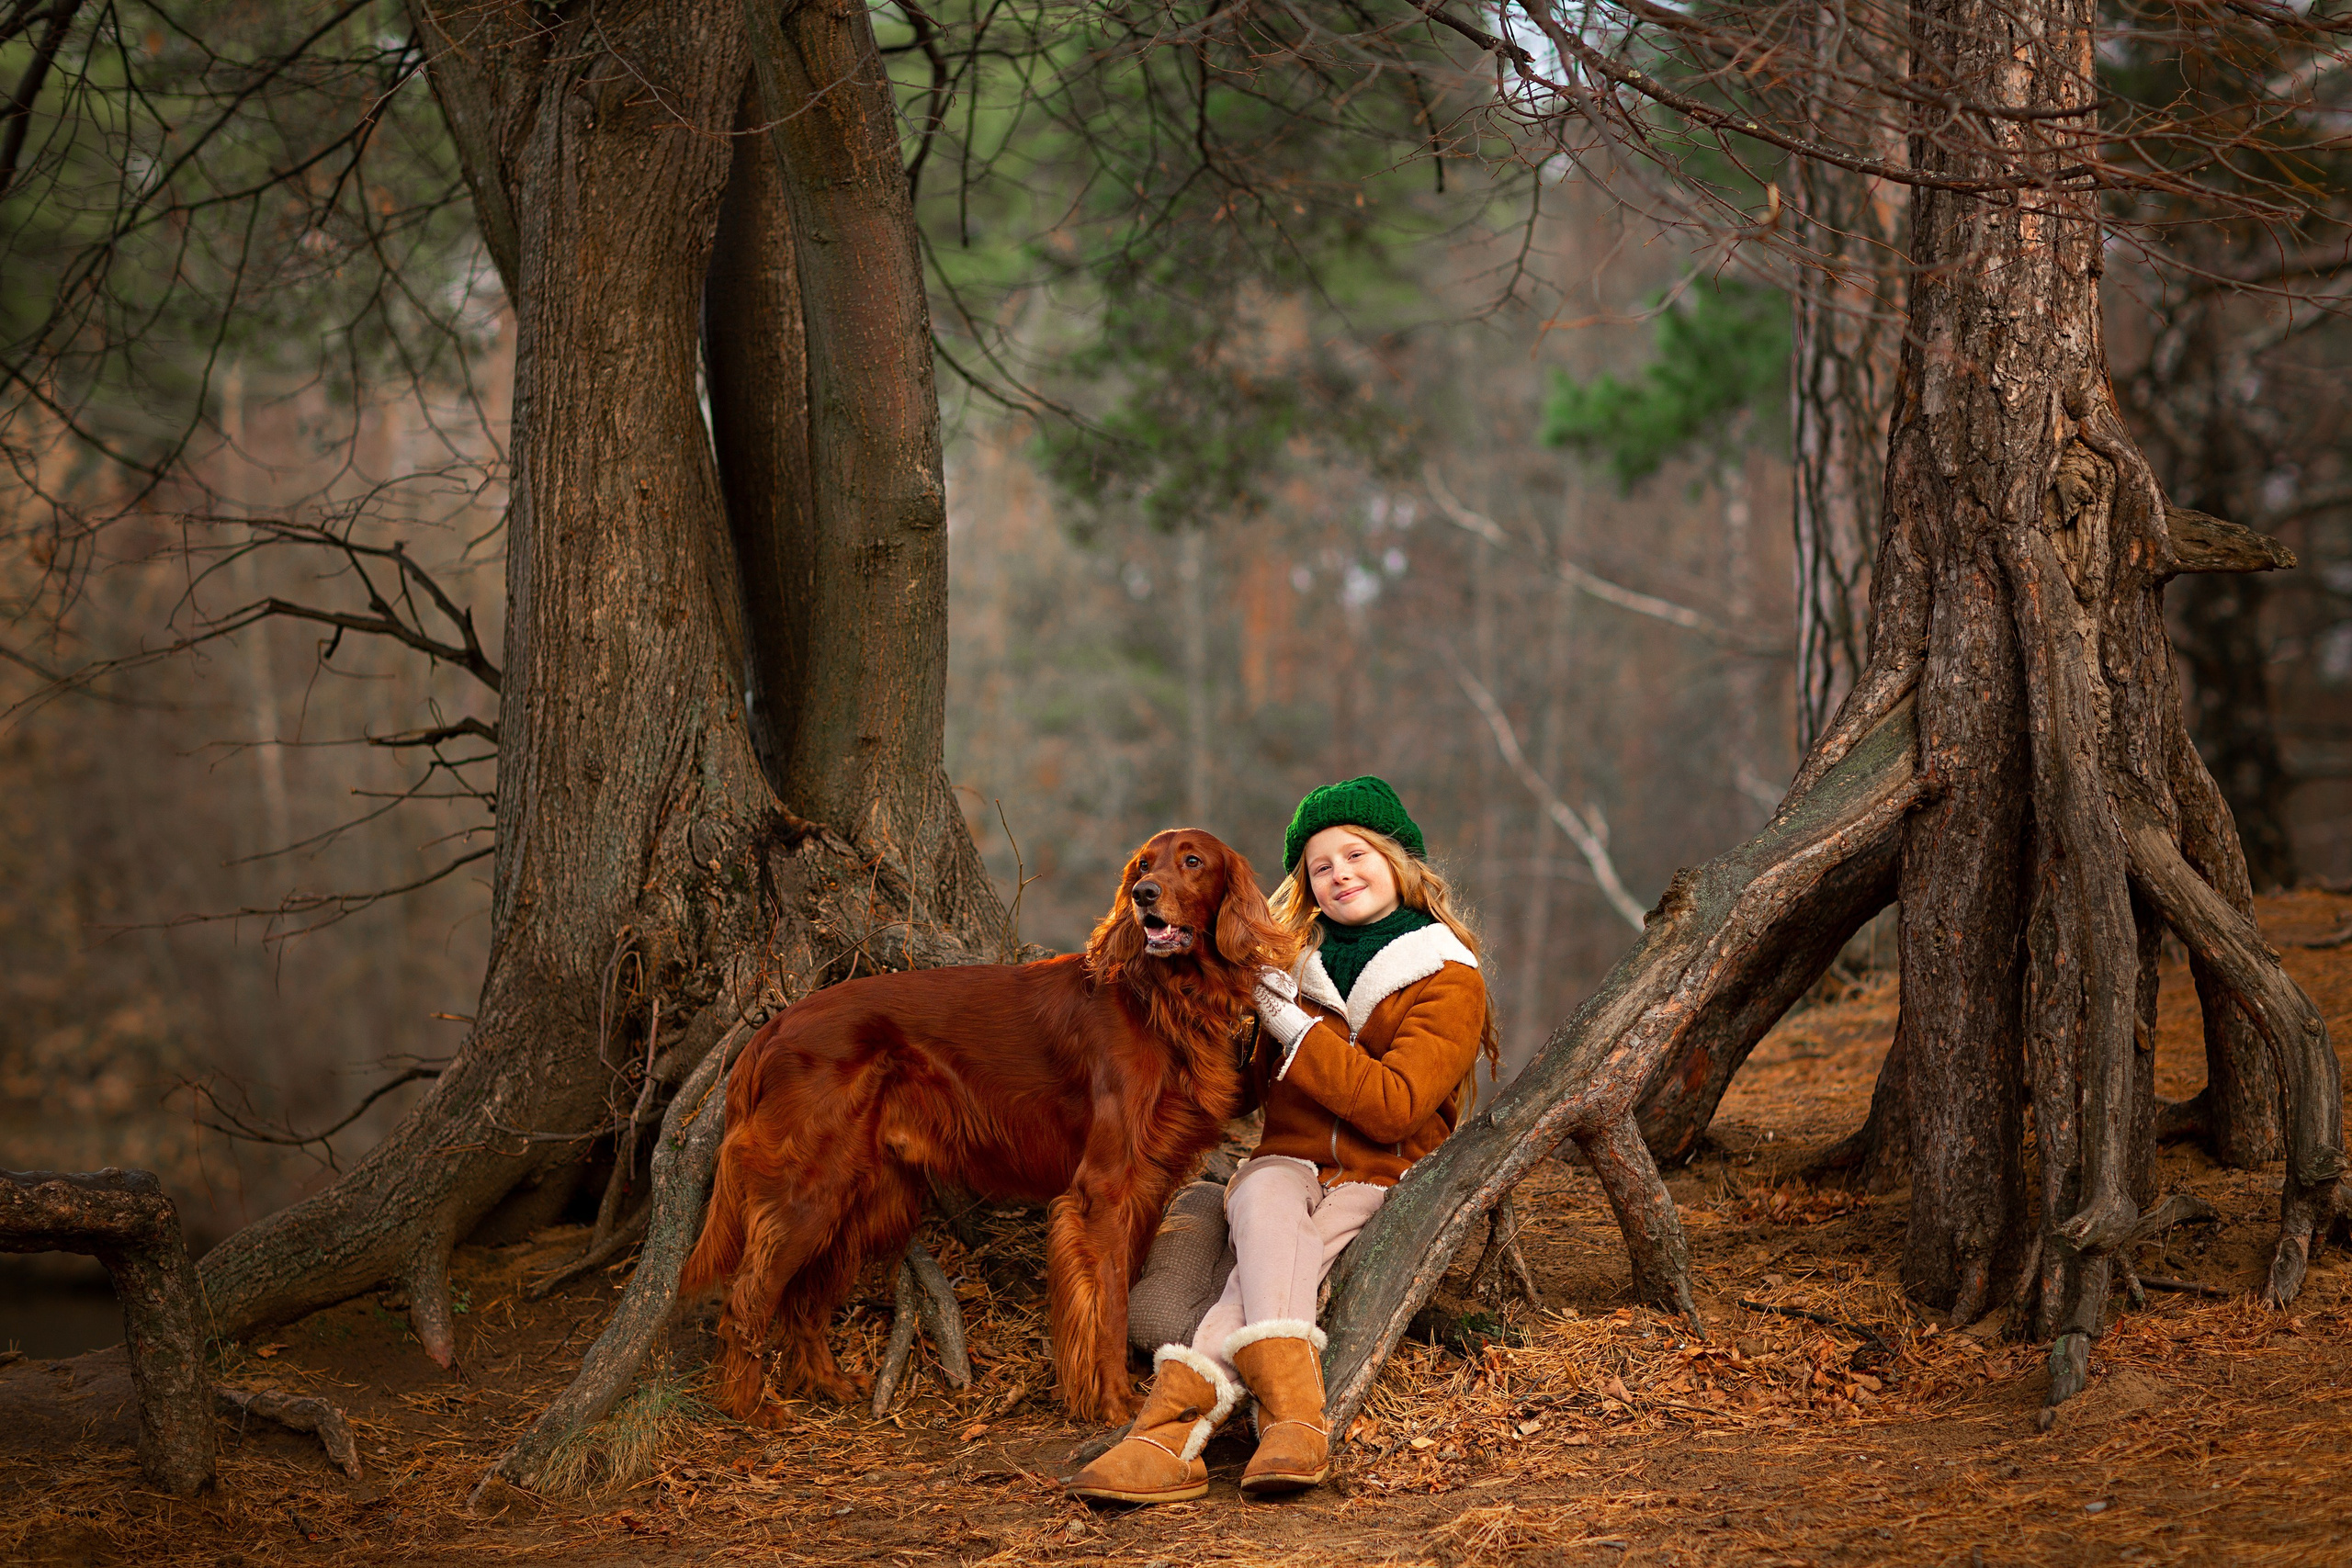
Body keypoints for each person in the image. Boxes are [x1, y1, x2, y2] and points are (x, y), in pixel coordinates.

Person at [1068, 776, 1498, 1505]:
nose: (1340, 875)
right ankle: (1293, 1420)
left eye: (1356, 854)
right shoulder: (1285, 964)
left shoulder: (1446, 974)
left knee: (1256, 1272)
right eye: (1320, 866)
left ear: (1400, 862)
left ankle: (1167, 1436)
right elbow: (1243, 1094)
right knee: (1262, 1194)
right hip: (1286, 1158)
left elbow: (1396, 1107)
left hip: (1381, 1173)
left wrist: (1293, 1026)